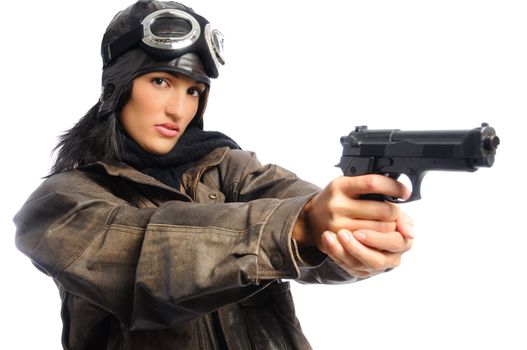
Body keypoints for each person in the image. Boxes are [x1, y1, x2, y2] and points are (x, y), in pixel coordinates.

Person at [14, 1, 414, 349]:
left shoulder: (229, 169)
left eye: (193, 91)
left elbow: (305, 216)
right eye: (160, 82)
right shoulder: (59, 206)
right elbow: (145, 262)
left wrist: (353, 238)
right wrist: (298, 225)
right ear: (117, 88)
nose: (179, 110)